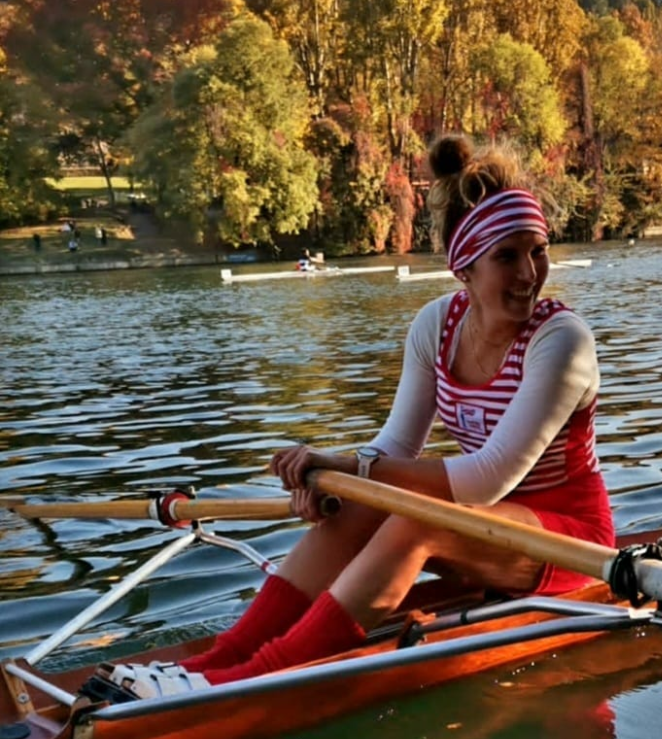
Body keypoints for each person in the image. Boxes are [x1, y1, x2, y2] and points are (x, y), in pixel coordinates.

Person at [104, 135, 614, 699]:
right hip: (486, 529)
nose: (530, 273)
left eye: (538, 250)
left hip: (571, 545)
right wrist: (336, 485)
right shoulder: (434, 326)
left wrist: (347, 468)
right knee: (354, 508)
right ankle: (218, 661)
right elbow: (395, 447)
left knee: (415, 517)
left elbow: (485, 478)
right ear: (463, 270)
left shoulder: (562, 340)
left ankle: (246, 682)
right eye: (508, 256)